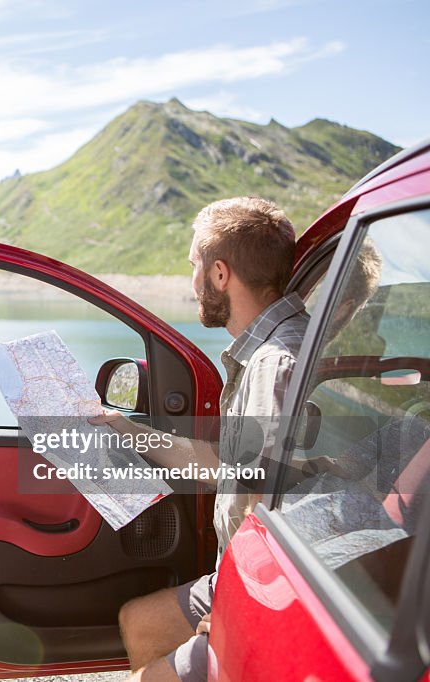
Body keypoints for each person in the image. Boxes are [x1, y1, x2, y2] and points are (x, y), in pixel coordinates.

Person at [90, 196, 310, 682]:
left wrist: (243, 611)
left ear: (219, 275)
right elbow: (230, 466)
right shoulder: (267, 350)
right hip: (242, 576)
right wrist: (126, 429)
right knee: (139, 621)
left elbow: (264, 502)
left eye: (194, 265)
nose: (191, 281)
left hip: (265, 587)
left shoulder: (274, 365)